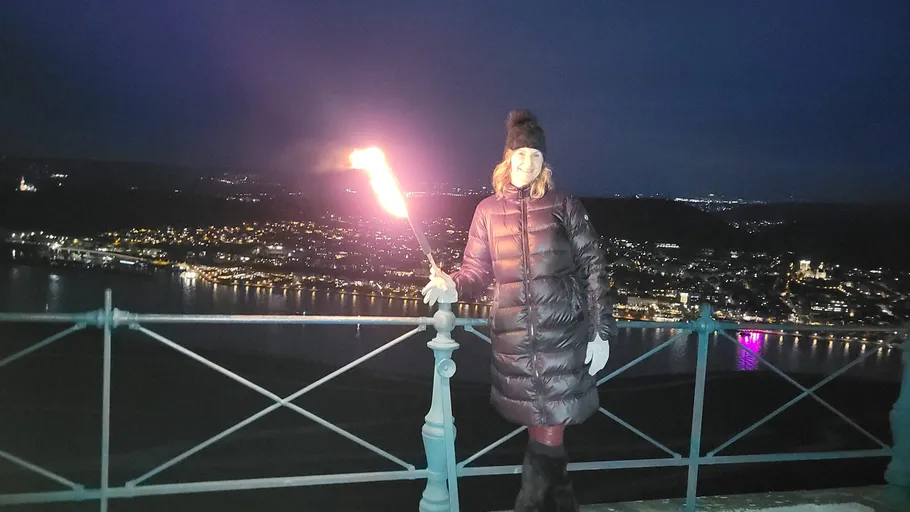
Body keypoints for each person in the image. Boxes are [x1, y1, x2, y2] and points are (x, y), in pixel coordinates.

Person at [422, 109, 617, 511]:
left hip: (560, 336)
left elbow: (593, 264)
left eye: (536, 157)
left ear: (545, 164)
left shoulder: (564, 204)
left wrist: (601, 330)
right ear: (507, 158)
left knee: (550, 430)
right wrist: (452, 283)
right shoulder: (487, 212)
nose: (527, 163)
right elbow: (477, 271)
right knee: (542, 430)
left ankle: (531, 504)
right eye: (521, 154)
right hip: (515, 341)